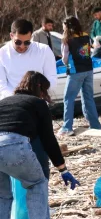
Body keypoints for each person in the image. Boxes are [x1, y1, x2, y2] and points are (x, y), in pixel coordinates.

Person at [0, 71, 80, 219]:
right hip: (14, 145)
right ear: (38, 87)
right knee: (37, 183)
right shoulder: (37, 103)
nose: (45, 95)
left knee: (3, 196)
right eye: (44, 90)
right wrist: (62, 169)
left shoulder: (4, 102)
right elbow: (48, 139)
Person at [0, 19, 58, 182]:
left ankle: (41, 196)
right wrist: (18, 100)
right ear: (11, 35)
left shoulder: (43, 50)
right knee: (11, 161)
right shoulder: (2, 53)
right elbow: (1, 85)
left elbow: (52, 79)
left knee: (40, 155)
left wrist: (35, 97)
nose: (23, 46)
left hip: (38, 109)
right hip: (12, 111)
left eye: (27, 42)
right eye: (18, 42)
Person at [58, 17, 101, 137]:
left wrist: (65, 64)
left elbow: (65, 58)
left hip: (75, 71)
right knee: (88, 97)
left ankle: (67, 128)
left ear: (67, 26)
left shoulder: (66, 39)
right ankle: (95, 125)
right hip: (88, 69)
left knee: (68, 99)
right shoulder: (85, 35)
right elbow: (89, 51)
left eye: (63, 25)